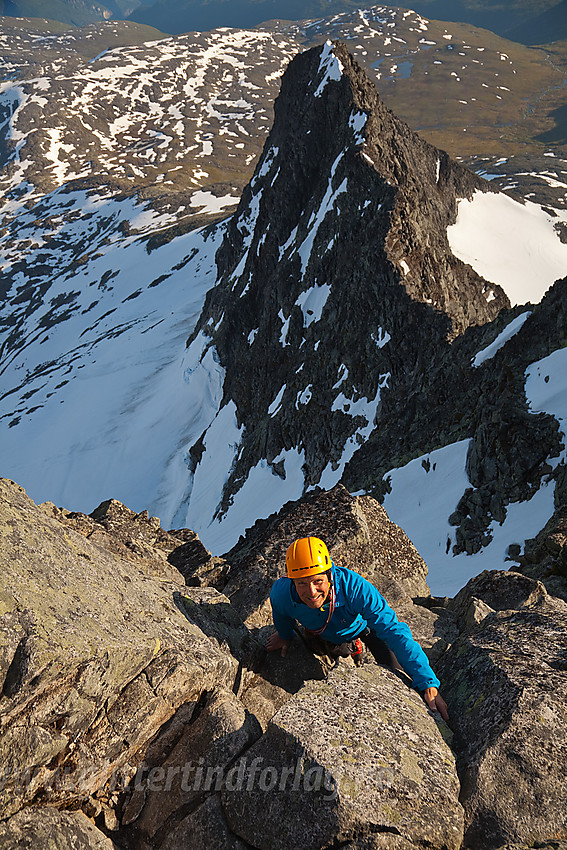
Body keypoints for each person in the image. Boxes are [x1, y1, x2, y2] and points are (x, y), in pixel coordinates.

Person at [267, 536, 449, 721]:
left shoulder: (355, 588)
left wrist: (426, 681)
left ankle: (354, 644)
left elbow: (394, 631)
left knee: (397, 674)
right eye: (302, 583)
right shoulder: (282, 593)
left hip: (362, 629)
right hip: (323, 632)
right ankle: (347, 647)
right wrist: (285, 635)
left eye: (317, 581)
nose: (312, 592)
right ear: (292, 582)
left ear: (330, 575)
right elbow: (281, 614)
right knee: (334, 647)